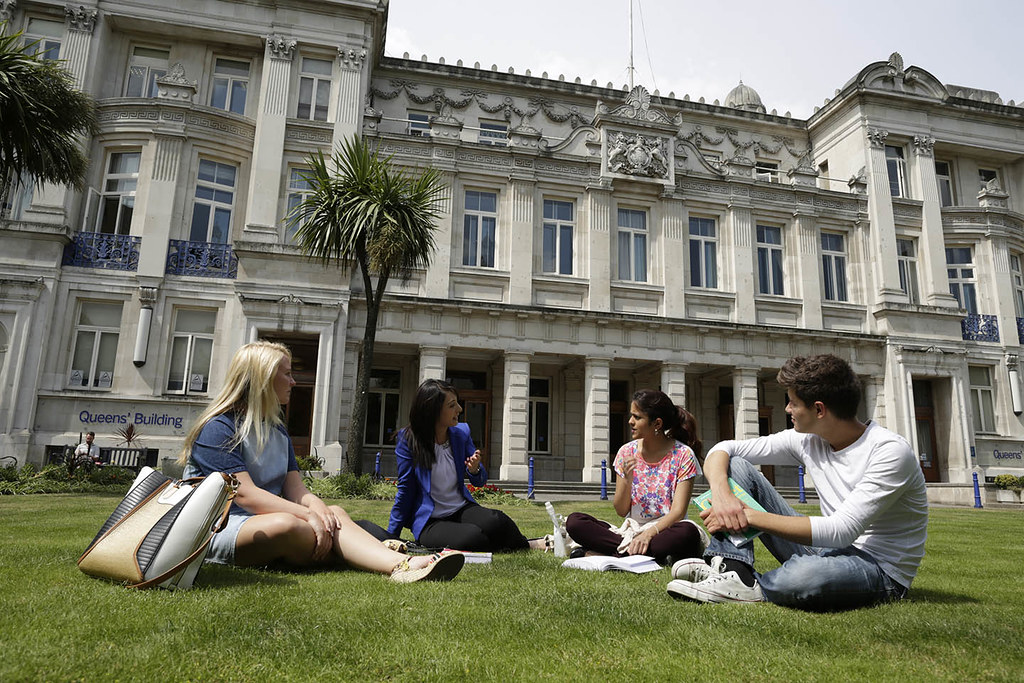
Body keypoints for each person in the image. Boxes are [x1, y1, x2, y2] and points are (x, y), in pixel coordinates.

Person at [177, 341, 464, 583]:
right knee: (289, 525)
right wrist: (309, 516)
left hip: (263, 520)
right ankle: (377, 553)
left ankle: (397, 565)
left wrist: (316, 507)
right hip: (221, 528)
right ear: (263, 379)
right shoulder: (219, 428)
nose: (293, 381)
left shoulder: (276, 429)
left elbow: (296, 489)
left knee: (333, 512)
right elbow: (247, 495)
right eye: (287, 374)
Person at [666, 354, 928, 611]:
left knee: (805, 576)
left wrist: (745, 515)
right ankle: (731, 568)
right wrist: (724, 498)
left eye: (792, 403)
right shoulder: (808, 439)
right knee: (734, 465)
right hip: (825, 550)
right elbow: (723, 449)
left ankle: (752, 585)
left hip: (878, 568)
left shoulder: (889, 451)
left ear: (818, 409)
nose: (787, 409)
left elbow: (842, 530)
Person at [387, 378, 546, 552]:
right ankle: (502, 545)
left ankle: (527, 545)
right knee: (472, 537)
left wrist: (474, 469)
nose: (459, 409)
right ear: (433, 410)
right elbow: (406, 489)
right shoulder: (408, 440)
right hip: (431, 521)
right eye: (452, 405)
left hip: (461, 508)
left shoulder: (461, 433)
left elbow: (480, 481)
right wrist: (391, 536)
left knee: (497, 520)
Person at [564, 390, 706, 564]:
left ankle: (607, 554)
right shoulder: (626, 452)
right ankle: (646, 555)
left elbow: (678, 513)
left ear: (657, 423)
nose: (630, 421)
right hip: (632, 530)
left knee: (687, 533)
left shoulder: (683, 455)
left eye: (637, 417)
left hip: (666, 531)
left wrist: (648, 534)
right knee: (575, 522)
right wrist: (628, 480)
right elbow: (621, 510)